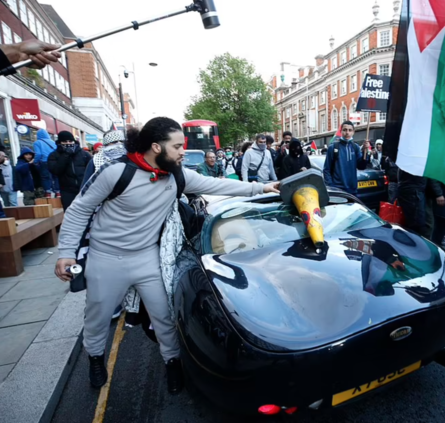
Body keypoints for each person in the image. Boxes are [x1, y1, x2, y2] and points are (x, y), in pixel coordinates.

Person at [54, 117, 280, 393]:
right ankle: (95, 358)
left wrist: (262, 188)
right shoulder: (116, 173)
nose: (183, 151)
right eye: (177, 146)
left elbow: (217, 185)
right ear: (156, 147)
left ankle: (172, 363)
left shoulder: (177, 174)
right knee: (97, 316)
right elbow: (79, 209)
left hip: (148, 258)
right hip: (106, 258)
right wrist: (66, 252)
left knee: (164, 315)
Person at [48, 131, 92, 210]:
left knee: (87, 212)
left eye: (70, 141)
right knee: (70, 212)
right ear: (59, 142)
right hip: (67, 190)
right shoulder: (54, 155)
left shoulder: (84, 154)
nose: (68, 143)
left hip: (84, 188)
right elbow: (55, 170)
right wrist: (65, 155)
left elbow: (92, 169)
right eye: (65, 141)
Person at [323, 121, 369, 195]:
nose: (347, 133)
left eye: (350, 130)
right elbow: (326, 170)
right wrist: (331, 187)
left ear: (353, 132)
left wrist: (365, 152)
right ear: (341, 131)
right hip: (337, 190)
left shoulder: (355, 147)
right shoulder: (333, 147)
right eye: (345, 130)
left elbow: (361, 167)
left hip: (352, 190)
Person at [33, 129, 60, 198]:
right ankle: (58, 192)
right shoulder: (53, 142)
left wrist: (35, 162)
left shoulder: (37, 142)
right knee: (56, 177)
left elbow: (38, 154)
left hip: (45, 161)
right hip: (55, 161)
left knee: (45, 177)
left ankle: (48, 193)